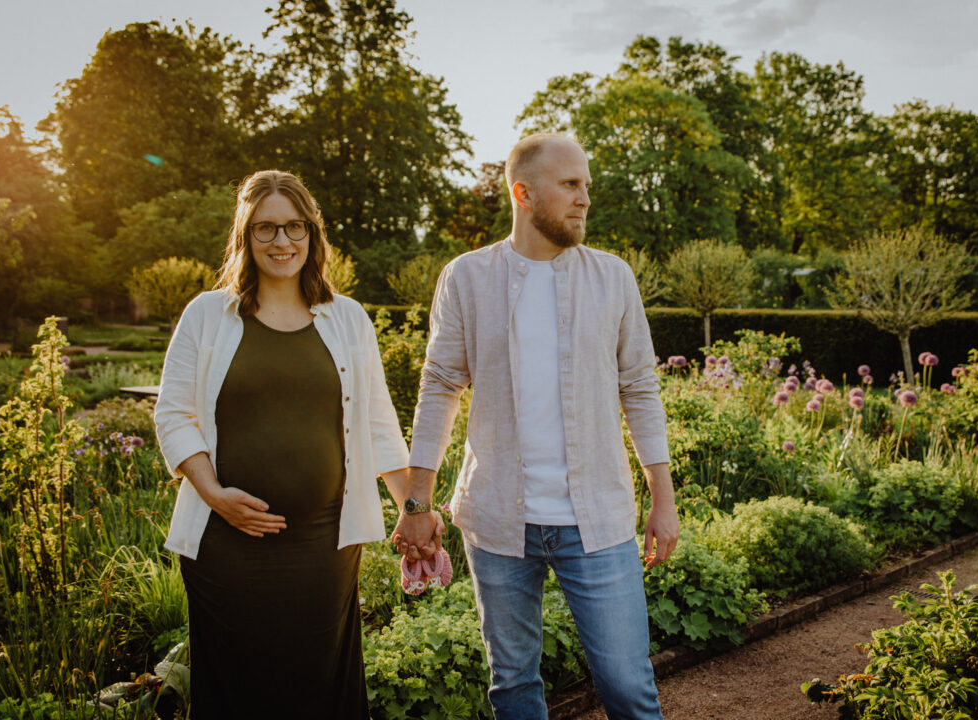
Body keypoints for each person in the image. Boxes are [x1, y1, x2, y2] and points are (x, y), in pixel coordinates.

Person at [393, 134, 679, 719]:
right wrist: (416, 501)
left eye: (587, 186)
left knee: (628, 687)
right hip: (499, 519)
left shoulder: (613, 278)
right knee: (514, 684)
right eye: (570, 185)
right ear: (523, 192)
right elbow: (440, 386)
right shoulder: (467, 277)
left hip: (596, 519)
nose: (584, 199)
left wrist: (662, 497)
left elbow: (640, 389)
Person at [155, 170, 421, 719]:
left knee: (318, 684)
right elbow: (174, 415)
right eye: (265, 229)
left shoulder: (346, 318)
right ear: (245, 237)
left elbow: (377, 421)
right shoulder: (208, 314)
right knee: (237, 689)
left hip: (324, 546)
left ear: (312, 233)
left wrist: (412, 509)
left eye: (294, 227)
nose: (281, 242)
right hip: (226, 549)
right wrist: (215, 495)